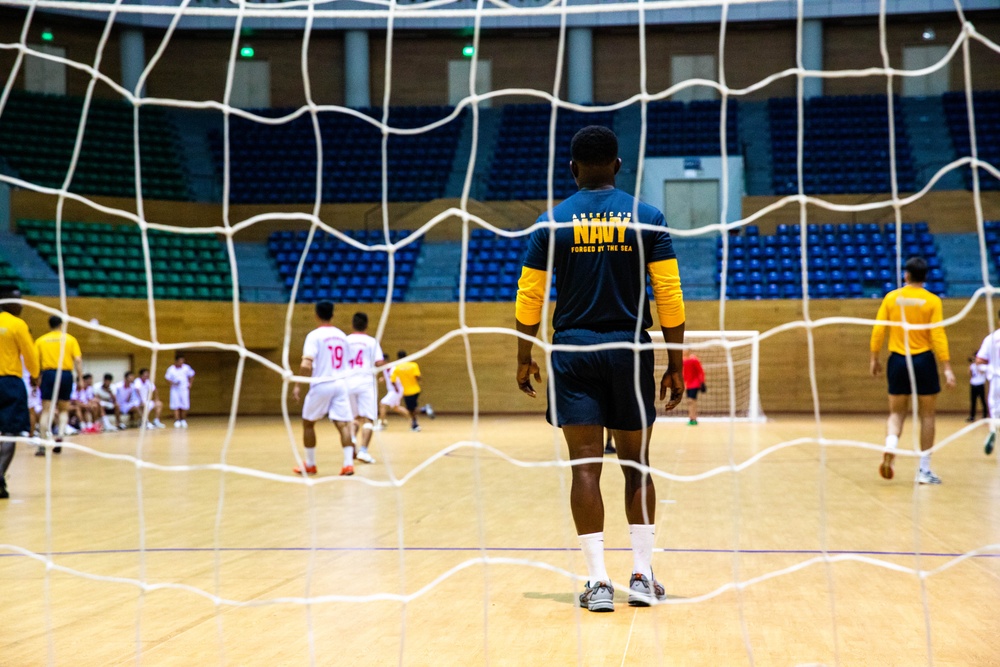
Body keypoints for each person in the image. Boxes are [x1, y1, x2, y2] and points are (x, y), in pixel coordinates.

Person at [514, 126, 686, 613]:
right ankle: (642, 576)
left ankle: (597, 582)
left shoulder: (553, 221)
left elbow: (530, 295)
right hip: (629, 351)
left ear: (572, 168)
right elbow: (668, 294)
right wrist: (676, 362)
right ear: (617, 165)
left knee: (585, 466)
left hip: (572, 352)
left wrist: (523, 354)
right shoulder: (646, 217)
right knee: (636, 466)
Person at [870, 256, 955, 484]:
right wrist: (946, 367)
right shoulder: (932, 301)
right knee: (927, 415)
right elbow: (938, 335)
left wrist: (874, 357)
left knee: (896, 413)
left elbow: (879, 330)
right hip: (923, 361)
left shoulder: (891, 298)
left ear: (906, 275)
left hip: (898, 360)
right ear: (925, 276)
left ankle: (890, 446)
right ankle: (923, 470)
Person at [292, 301, 355, 476]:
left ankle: (311, 464)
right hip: (341, 384)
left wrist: (298, 384)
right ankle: (348, 464)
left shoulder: (314, 336)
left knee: (308, 423)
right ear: (332, 314)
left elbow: (306, 364)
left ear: (316, 315)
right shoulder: (342, 336)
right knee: (343, 425)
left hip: (322, 383)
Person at [0, 285, 39, 499]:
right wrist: (35, 374)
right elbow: (30, 356)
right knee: (10, 434)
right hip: (8, 382)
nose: (21, 304)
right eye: (17, 299)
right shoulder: (16, 324)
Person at [34, 315, 83, 456]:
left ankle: (43, 445)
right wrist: (80, 378)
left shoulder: (40, 340)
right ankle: (60, 436)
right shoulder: (70, 339)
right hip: (65, 375)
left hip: (48, 374)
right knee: (63, 410)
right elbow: (78, 360)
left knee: (46, 410)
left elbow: (35, 362)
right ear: (61, 324)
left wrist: (36, 378)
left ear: (49, 325)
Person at [343, 312, 383, 464]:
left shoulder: (345, 340)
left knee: (353, 418)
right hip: (366, 383)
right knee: (368, 419)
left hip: (347, 382)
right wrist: (388, 370)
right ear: (366, 325)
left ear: (352, 324)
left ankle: (352, 441)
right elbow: (379, 362)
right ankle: (363, 451)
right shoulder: (371, 342)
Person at [390, 350, 434, 432]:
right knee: (412, 409)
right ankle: (415, 425)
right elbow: (418, 376)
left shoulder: (397, 368)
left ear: (398, 357)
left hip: (407, 391)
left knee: (411, 409)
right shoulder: (413, 365)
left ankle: (424, 409)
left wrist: (396, 388)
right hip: (416, 389)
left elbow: (393, 381)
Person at [975, 319, 1000, 455]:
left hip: (996, 380)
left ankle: (992, 431)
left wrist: (988, 368)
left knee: (995, 413)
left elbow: (979, 361)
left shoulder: (991, 338)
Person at [375, 355, 410, 429]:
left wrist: (396, 389)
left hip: (395, 390)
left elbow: (393, 378)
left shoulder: (392, 368)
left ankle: (382, 424)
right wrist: (383, 378)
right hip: (394, 390)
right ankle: (412, 421)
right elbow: (389, 376)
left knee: (382, 404)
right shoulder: (385, 368)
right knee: (396, 408)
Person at [165, 353, 195, 428]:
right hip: (175, 389)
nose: (181, 363)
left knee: (184, 405)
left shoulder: (186, 368)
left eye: (182, 361)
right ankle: (177, 420)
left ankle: (183, 420)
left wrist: (190, 384)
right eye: (180, 361)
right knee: (176, 405)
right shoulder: (171, 369)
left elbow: (192, 375)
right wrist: (173, 383)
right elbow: (167, 378)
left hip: (184, 389)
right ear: (176, 361)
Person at [682, 349, 705, 426]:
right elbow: (684, 373)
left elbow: (700, 371)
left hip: (695, 384)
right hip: (688, 384)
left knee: (691, 401)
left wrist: (702, 382)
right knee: (690, 401)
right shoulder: (683, 360)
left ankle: (693, 418)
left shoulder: (694, 360)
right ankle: (692, 417)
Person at [967, 353, 988, 423]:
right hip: (973, 384)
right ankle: (972, 416)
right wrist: (971, 368)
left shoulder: (982, 366)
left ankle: (985, 415)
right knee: (973, 401)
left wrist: (978, 366)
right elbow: (970, 374)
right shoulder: (972, 366)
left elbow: (982, 372)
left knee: (982, 400)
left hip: (980, 384)